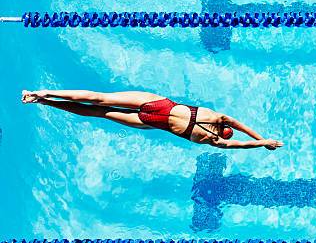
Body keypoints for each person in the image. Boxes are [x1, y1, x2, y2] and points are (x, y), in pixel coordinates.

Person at [21, 89, 283, 150]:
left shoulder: (216, 116)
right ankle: (45, 101)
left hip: (160, 104)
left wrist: (263, 138)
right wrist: (263, 144)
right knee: (100, 113)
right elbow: (239, 145)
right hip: (153, 122)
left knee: (100, 98)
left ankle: (44, 92)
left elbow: (240, 127)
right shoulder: (212, 141)